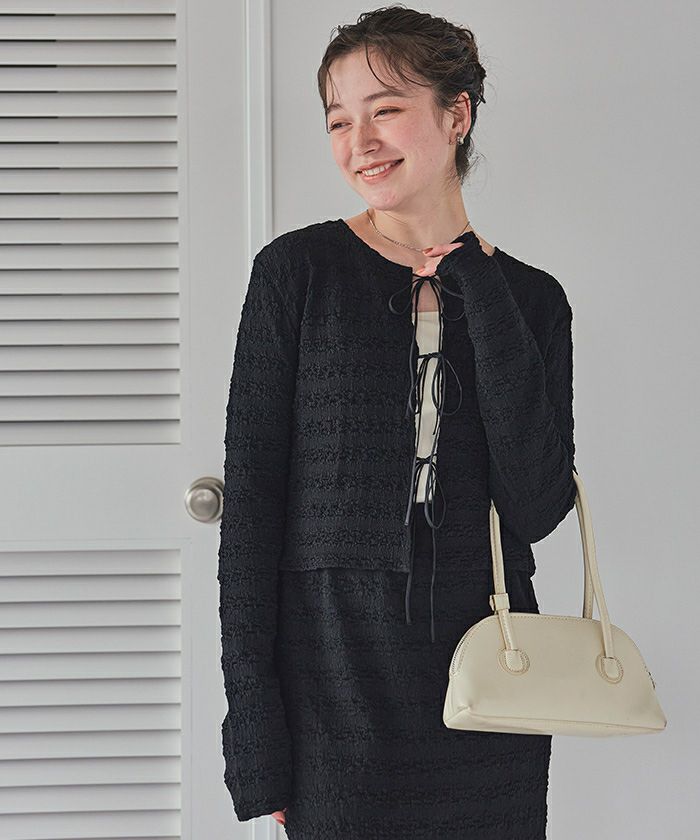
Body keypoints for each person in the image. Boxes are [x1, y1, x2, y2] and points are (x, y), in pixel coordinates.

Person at [218, 6, 577, 838]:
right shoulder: (295, 273)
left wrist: (476, 284)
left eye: (384, 110)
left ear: (457, 115)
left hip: (487, 675)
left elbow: (537, 506)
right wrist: (255, 730)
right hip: (331, 675)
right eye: (338, 120)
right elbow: (252, 515)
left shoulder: (531, 300)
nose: (360, 142)